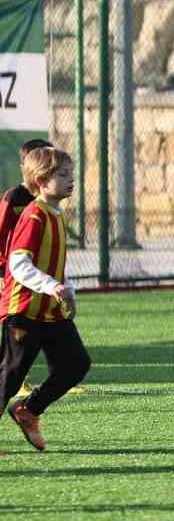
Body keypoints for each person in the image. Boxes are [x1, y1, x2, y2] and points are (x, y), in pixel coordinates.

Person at [0, 146, 89, 451]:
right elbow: (18, 263)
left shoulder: (58, 214)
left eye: (71, 173)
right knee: (11, 375)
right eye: (62, 174)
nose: (70, 179)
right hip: (23, 310)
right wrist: (51, 286)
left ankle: (29, 409)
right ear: (41, 181)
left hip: (51, 311)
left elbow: (56, 264)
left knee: (76, 364)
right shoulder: (34, 215)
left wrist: (69, 292)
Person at [0, 138, 53, 249]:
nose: (48, 170)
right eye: (43, 165)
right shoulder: (13, 198)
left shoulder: (48, 197)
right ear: (24, 168)